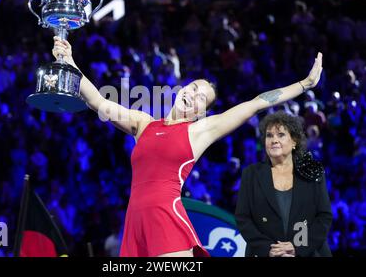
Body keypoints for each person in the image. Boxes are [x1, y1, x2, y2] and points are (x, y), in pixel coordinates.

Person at [52, 37, 323, 257]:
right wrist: (70, 62)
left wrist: (305, 84)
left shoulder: (198, 131)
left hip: (165, 217)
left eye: (201, 99)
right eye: (193, 88)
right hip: (135, 221)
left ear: (199, 113)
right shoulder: (144, 124)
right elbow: (99, 102)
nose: (192, 96)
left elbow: (256, 103)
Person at [235, 111, 333, 257]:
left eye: (280, 135)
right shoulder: (251, 174)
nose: (274, 140)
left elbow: (324, 216)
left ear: (294, 141)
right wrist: (269, 249)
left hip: (308, 253)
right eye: (269, 135)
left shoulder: (313, 171)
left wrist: (297, 248)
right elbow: (243, 218)